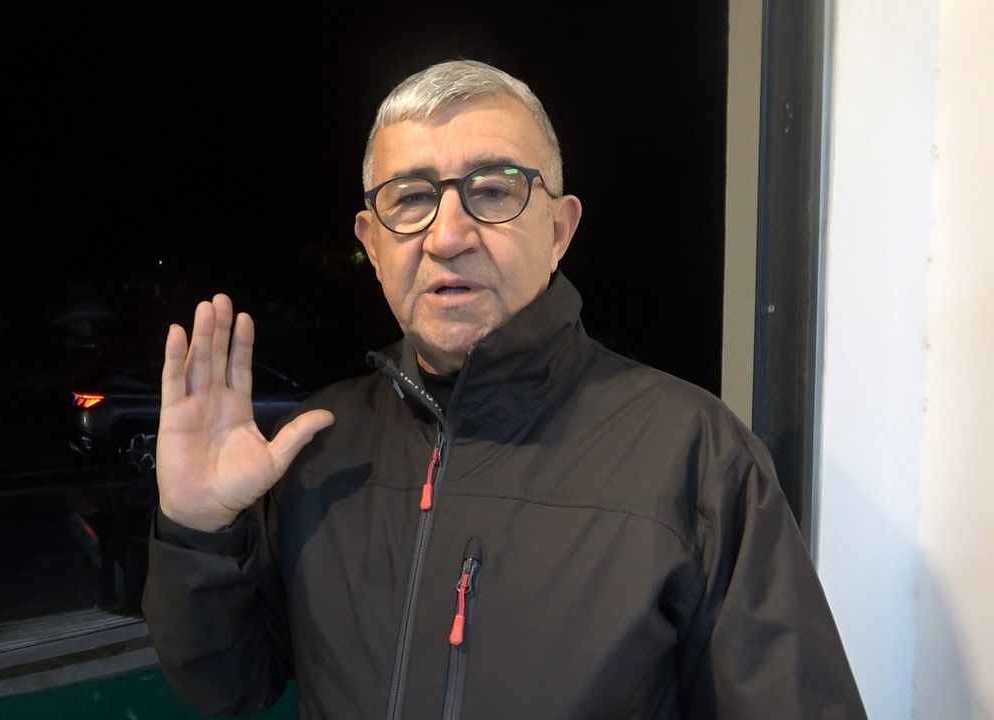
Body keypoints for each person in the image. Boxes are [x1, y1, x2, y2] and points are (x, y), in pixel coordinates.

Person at [142, 59, 866, 718]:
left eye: (492, 191)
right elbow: (227, 684)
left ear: (559, 230)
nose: (447, 234)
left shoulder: (694, 456)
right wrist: (199, 531)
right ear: (372, 242)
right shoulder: (320, 447)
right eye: (411, 198)